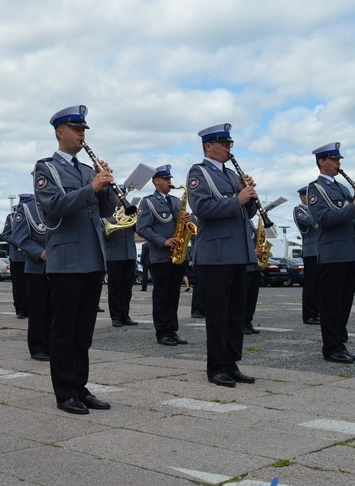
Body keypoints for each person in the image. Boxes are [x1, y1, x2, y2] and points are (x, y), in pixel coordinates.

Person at [33, 105, 115, 415]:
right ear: (60, 132)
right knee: (64, 330)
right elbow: (53, 206)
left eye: (83, 129)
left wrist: (105, 184)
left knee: (84, 331)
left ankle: (81, 386)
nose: (82, 134)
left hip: (92, 258)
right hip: (67, 259)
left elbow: (104, 210)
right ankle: (64, 391)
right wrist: (91, 188)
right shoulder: (46, 169)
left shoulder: (85, 169)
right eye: (76, 129)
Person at [187, 124, 258, 387]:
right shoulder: (199, 172)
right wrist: (238, 199)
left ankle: (232, 363)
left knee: (236, 313)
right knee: (218, 315)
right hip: (215, 255)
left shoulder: (230, 175)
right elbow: (202, 208)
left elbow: (245, 214)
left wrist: (248, 198)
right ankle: (216, 367)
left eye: (230, 144)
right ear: (209, 146)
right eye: (224, 144)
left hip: (238, 252)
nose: (229, 148)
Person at [306, 142, 355, 364]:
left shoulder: (342, 188)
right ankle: (331, 348)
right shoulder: (316, 189)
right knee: (331, 304)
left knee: (344, 303)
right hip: (333, 254)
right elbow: (324, 219)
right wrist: (353, 205)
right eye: (334, 159)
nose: (338, 163)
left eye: (339, 159)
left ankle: (340, 343)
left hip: (350, 252)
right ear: (322, 161)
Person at [136, 165, 189, 346]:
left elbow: (187, 223)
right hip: (160, 256)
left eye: (170, 179)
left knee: (174, 294)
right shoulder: (148, 202)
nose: (169, 182)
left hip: (178, 255)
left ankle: (172, 330)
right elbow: (142, 228)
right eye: (166, 179)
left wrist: (189, 221)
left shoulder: (175, 201)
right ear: (156, 181)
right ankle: (162, 332)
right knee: (161, 296)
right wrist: (163, 241)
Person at [9, 192, 51, 360]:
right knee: (38, 310)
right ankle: (38, 347)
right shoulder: (27, 208)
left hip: (61, 266)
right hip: (37, 267)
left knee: (57, 310)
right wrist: (39, 252)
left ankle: (55, 344)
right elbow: (19, 237)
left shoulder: (62, 204)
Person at [102, 199, 138, 329]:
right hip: (113, 255)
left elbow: (138, 229)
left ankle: (125, 315)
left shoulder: (129, 212)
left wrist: (136, 215)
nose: (120, 199)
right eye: (117, 196)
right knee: (115, 288)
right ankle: (116, 317)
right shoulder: (105, 213)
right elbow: (102, 233)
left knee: (127, 287)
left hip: (129, 254)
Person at [293, 186, 321, 325]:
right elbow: (310, 221)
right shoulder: (300, 210)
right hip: (311, 251)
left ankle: (317, 311)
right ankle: (309, 314)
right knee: (311, 285)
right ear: (302, 197)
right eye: (308, 196)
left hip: (321, 251)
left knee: (320, 285)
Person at [3, 207, 28, 318]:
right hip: (17, 257)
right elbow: (5, 234)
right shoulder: (12, 217)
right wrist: (17, 241)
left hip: (32, 256)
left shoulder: (36, 214)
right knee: (19, 286)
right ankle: (20, 309)